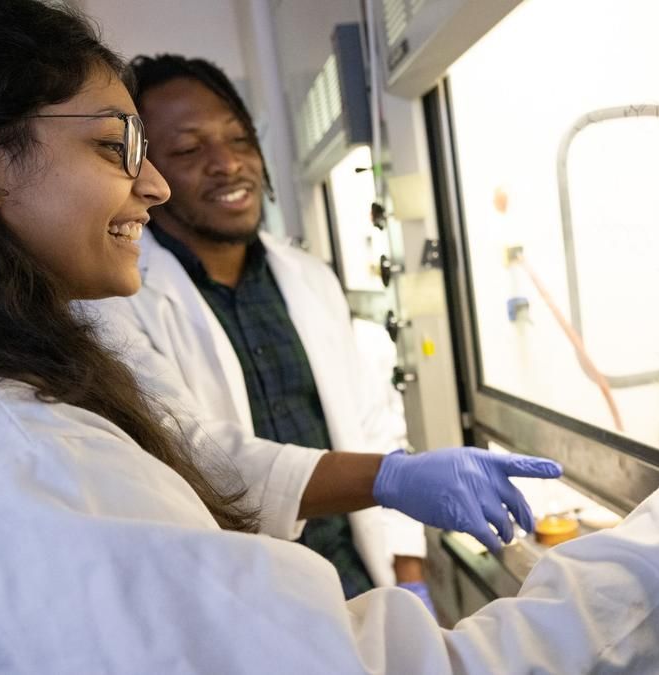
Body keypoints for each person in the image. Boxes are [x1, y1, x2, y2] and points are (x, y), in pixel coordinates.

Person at [0, 0, 659, 672]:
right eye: (119, 145)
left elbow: (202, 462)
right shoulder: (8, 456)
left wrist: (392, 473)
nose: (153, 180)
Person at [85, 52, 506, 605]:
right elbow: (195, 458)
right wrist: (391, 478)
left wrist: (410, 580)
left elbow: (372, 425)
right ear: (148, 172)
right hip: (250, 601)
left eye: (238, 140)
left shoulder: (310, 278)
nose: (227, 164)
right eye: (188, 149)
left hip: (358, 583)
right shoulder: (114, 300)